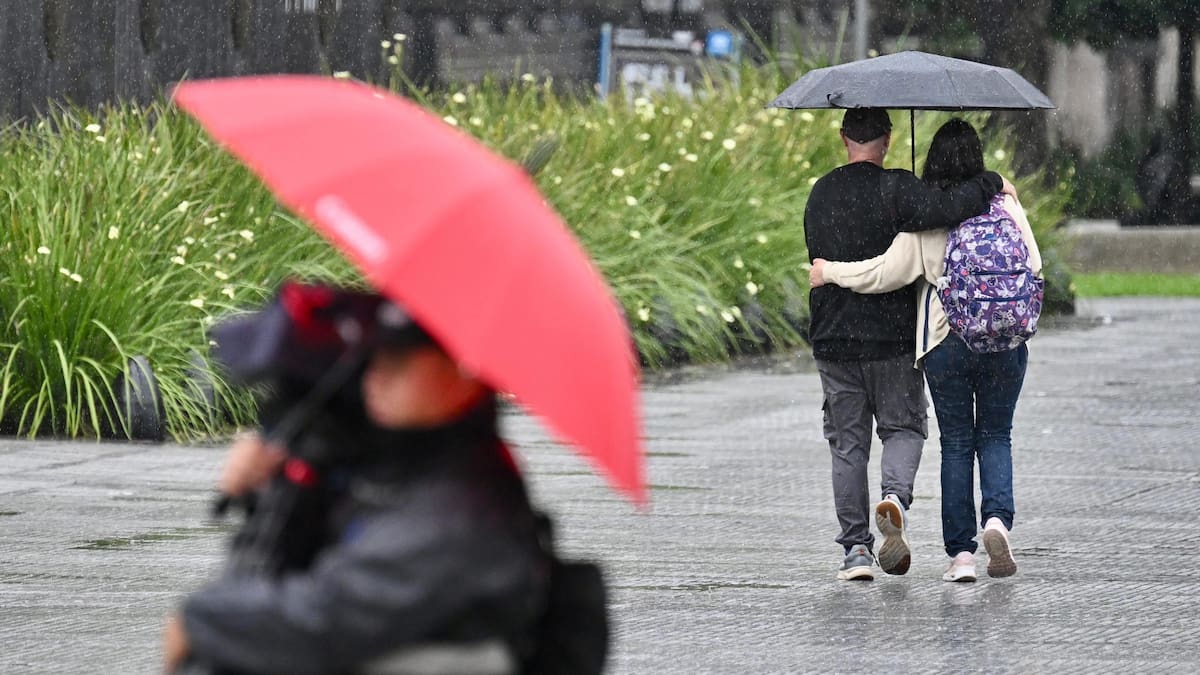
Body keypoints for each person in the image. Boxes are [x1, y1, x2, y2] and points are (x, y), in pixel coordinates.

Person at [162, 284, 572, 674]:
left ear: (461, 373)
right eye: (373, 355)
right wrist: (277, 476)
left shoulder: (461, 508)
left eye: (399, 360)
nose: (376, 375)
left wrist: (202, 622)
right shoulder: (425, 458)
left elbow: (330, 615)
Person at [810, 119, 1043, 582]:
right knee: (994, 435)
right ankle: (994, 519)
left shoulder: (921, 216)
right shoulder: (1003, 205)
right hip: (1001, 340)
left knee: (948, 444)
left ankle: (953, 556)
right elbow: (1034, 265)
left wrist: (830, 272)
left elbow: (885, 273)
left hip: (939, 339)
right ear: (888, 138)